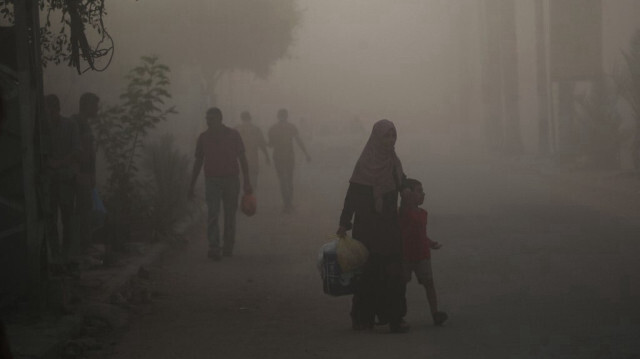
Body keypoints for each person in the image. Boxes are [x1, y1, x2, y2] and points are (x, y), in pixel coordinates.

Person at [336, 119, 410, 333]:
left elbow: (402, 181)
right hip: (367, 228)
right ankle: (363, 318)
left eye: (393, 135)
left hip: (388, 227)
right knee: (367, 273)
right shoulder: (364, 164)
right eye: (386, 136)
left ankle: (395, 318)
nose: (390, 140)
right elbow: (351, 197)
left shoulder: (394, 163)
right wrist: (343, 222)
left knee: (393, 272)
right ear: (376, 138)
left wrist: (407, 189)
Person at [188, 107, 252, 260]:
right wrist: (191, 184)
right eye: (207, 119)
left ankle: (228, 246)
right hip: (212, 181)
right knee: (213, 214)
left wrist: (247, 182)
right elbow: (198, 161)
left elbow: (242, 158)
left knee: (230, 215)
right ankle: (214, 246)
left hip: (231, 179)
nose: (208, 122)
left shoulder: (233, 135)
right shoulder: (203, 138)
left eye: (211, 119)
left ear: (220, 119)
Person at [399, 178, 448, 326]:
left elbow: (420, 234)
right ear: (408, 194)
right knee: (401, 286)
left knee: (428, 284)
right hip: (406, 256)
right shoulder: (403, 213)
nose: (423, 194)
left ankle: (435, 313)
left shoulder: (422, 213)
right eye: (419, 191)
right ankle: (399, 315)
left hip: (421, 255)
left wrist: (430, 243)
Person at [45, 94, 80, 264]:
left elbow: (76, 151)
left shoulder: (70, 125)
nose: (48, 114)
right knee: (50, 217)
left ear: (55, 109)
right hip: (51, 179)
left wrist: (58, 163)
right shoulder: (43, 128)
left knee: (67, 218)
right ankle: (56, 254)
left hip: (65, 178)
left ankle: (66, 254)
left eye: (49, 110)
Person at [71, 92, 99, 257]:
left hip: (85, 173)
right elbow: (80, 151)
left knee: (85, 208)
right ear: (87, 105)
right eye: (95, 106)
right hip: (80, 173)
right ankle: (82, 245)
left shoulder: (83, 124)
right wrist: (82, 172)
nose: (97, 110)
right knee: (82, 208)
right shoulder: (77, 123)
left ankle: (83, 244)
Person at [268, 108, 310, 213]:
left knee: (282, 180)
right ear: (287, 116)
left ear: (278, 116)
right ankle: (289, 203)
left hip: (278, 157)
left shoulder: (273, 128)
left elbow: (271, 144)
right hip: (289, 157)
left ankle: (286, 203)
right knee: (290, 180)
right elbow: (298, 141)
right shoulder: (291, 127)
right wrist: (306, 153)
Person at [235, 111, 270, 190]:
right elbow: (262, 144)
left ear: (241, 118)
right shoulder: (256, 129)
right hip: (253, 161)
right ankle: (252, 199)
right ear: (250, 118)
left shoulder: (236, 129)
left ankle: (243, 198)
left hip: (240, 161)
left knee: (241, 181)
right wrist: (267, 156)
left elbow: (231, 145)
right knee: (253, 183)